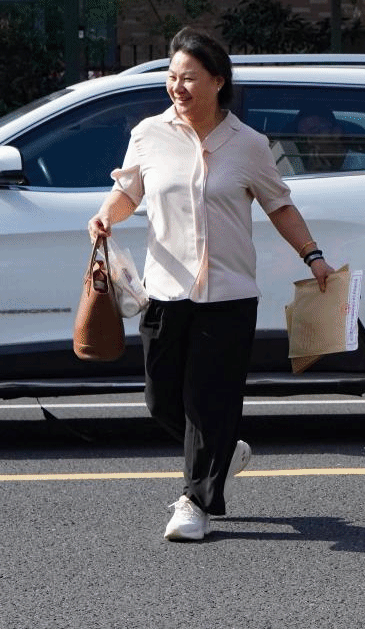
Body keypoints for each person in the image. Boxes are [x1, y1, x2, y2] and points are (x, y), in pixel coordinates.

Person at [87, 27, 333, 541]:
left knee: (208, 401)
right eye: (172, 77)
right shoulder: (149, 134)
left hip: (228, 295)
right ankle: (222, 449)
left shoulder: (249, 144)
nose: (177, 87)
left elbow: (280, 205)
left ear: (218, 81)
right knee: (161, 401)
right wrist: (107, 215)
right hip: (164, 291)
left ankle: (194, 503)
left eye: (189, 78)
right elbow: (128, 192)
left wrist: (312, 255)